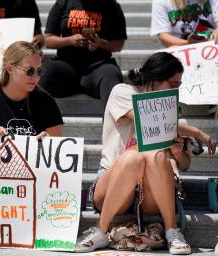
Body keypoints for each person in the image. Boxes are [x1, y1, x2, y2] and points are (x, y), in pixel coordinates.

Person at [75, 52, 217, 255]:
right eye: (173, 84)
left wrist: (177, 153)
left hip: (151, 193)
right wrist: (196, 132)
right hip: (112, 184)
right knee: (135, 156)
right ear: (157, 79)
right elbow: (148, 118)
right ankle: (100, 229)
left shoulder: (171, 108)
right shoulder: (122, 92)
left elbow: (185, 164)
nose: (177, 89)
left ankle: (172, 231)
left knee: (156, 156)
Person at [39, 0, 127, 112]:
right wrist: (70, 41)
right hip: (66, 66)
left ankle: (114, 126)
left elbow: (119, 44)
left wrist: (100, 43)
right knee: (44, 71)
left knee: (111, 75)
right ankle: (29, 122)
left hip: (98, 67)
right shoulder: (63, 3)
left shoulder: (112, 6)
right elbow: (48, 40)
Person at [0, 41, 63, 138]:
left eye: (39, 71)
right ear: (9, 68)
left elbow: (56, 147)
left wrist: (48, 141)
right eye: (30, 71)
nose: (36, 77)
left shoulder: (47, 103)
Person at [151, 0, 218, 47]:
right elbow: (163, 36)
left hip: (210, 44)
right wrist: (188, 43)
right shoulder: (160, 1)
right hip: (181, 47)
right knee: (173, 48)